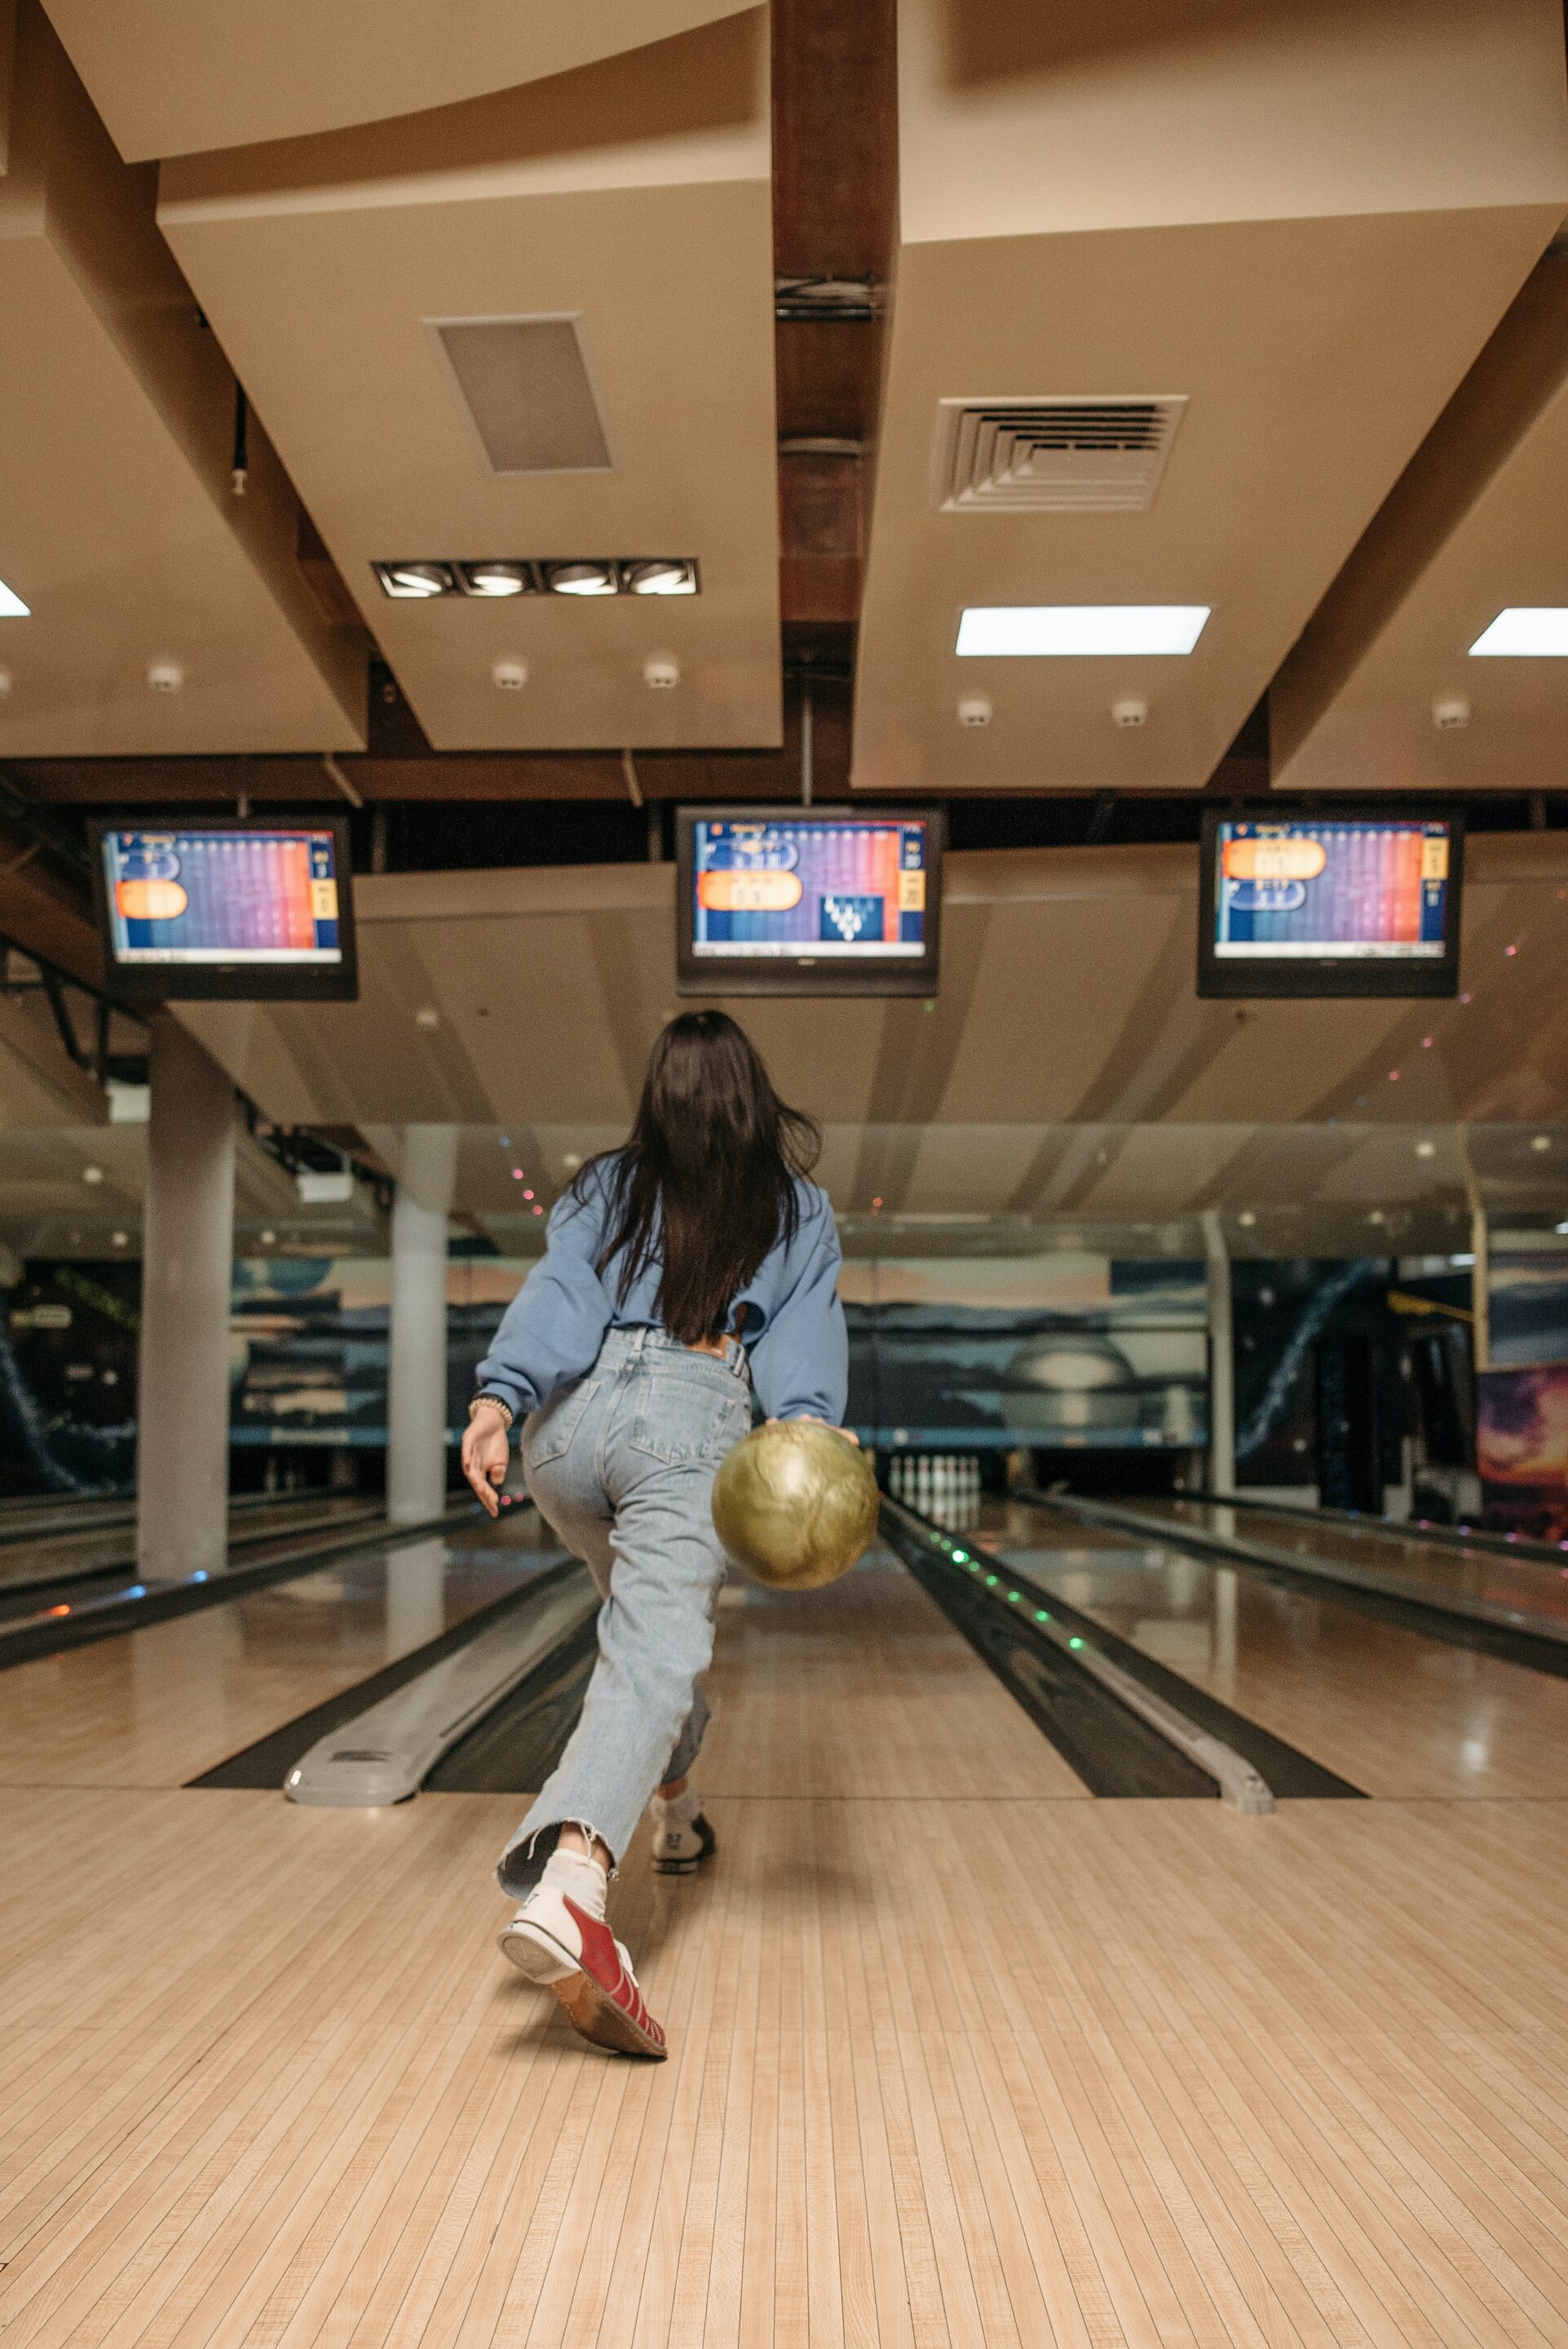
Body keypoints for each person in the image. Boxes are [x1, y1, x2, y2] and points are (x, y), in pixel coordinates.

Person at [462, 1010, 848, 2060]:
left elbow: (560, 1294)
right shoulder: (796, 1206)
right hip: (686, 1422)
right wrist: (807, 1435)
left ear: (660, 1102)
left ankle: (676, 1812)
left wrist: (497, 1402)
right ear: (753, 1099)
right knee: (657, 1652)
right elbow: (803, 1356)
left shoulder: (606, 1185)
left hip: (566, 1434)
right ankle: (578, 1884)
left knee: (645, 1646)